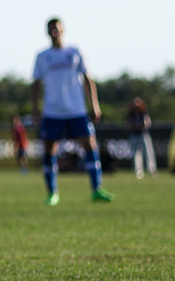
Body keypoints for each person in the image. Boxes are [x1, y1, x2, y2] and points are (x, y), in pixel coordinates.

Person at [30, 18, 114, 205]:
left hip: (76, 110)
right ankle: (52, 193)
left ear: (63, 30)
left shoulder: (75, 52)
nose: (54, 32)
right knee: (49, 149)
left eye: (57, 29)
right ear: (47, 32)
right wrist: (35, 108)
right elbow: (36, 83)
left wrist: (94, 105)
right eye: (51, 29)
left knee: (89, 145)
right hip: (52, 111)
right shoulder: (42, 56)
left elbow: (88, 79)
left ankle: (97, 189)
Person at [126, 98, 157, 179]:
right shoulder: (131, 115)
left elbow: (147, 123)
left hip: (143, 134)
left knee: (148, 152)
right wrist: (134, 126)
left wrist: (142, 125)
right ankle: (138, 170)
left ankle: (152, 169)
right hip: (134, 135)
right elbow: (129, 125)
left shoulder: (143, 113)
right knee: (135, 153)